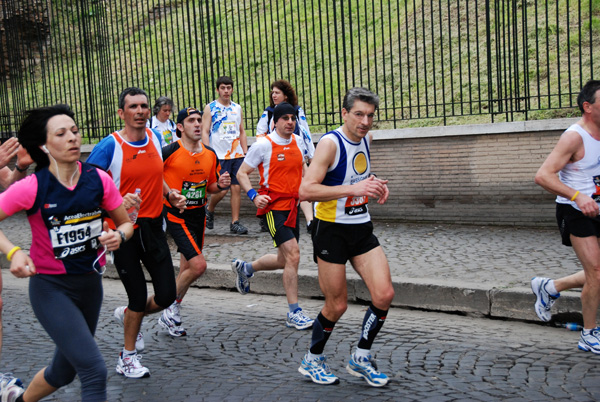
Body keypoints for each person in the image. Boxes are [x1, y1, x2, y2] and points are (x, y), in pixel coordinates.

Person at [0, 104, 133, 401]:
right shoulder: (33, 187)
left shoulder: (98, 180)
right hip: (51, 289)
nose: (73, 138)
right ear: (44, 146)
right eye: (61, 133)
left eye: (74, 131)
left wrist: (117, 236)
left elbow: (126, 224)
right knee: (93, 370)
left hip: (89, 286)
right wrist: (14, 253)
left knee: (63, 373)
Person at [297, 88, 394, 387]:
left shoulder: (367, 138)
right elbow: (306, 190)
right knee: (336, 305)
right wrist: (354, 190)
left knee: (384, 294)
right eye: (359, 114)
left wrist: (373, 184)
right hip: (331, 231)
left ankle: (361, 356)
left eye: (370, 116)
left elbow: (358, 175)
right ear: (344, 113)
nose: (365, 121)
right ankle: (312, 360)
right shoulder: (330, 144)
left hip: (361, 227)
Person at [87, 87, 177, 378]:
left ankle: (128, 317)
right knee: (138, 297)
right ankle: (127, 357)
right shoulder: (109, 147)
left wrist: (170, 194)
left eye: (144, 106)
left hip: (152, 228)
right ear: (121, 113)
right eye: (133, 107)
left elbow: (157, 174)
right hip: (122, 232)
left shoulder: (154, 137)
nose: (140, 111)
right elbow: (86, 189)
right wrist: (116, 200)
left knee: (166, 295)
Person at [532, 79, 600, 354]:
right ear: (588, 107)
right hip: (575, 211)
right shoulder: (574, 136)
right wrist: (578, 196)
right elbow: (543, 176)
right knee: (596, 272)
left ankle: (550, 287)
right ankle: (589, 334)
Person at [233, 102, 314, 330]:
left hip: (292, 207)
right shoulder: (263, 145)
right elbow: (241, 173)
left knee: (283, 259)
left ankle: (246, 269)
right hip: (273, 208)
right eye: (285, 118)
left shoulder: (298, 142)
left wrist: (311, 199)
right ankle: (294, 312)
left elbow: (304, 174)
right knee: (294, 255)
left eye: (293, 118)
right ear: (275, 122)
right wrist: (253, 196)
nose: (290, 122)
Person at [159, 107, 231, 336]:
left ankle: (172, 314)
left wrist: (220, 186)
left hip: (198, 215)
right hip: (175, 214)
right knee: (199, 266)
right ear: (180, 127)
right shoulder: (169, 151)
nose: (198, 124)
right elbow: (153, 175)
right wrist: (170, 193)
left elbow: (210, 185)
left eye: (200, 120)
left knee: (186, 268)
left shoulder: (210, 154)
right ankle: (169, 307)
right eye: (191, 121)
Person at [256, 80, 315, 232]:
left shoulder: (297, 110)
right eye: (272, 92)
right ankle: (268, 216)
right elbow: (260, 132)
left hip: (295, 153)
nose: (273, 95)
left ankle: (310, 221)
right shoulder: (269, 112)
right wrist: (266, 149)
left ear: (286, 96)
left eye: (277, 92)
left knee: (303, 184)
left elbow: (305, 131)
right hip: (275, 156)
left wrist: (311, 154)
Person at [201, 76, 249, 234]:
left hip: (236, 154)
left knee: (236, 187)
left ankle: (235, 222)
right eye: (223, 88)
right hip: (219, 154)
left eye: (229, 88)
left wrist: (244, 150)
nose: (226, 91)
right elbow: (205, 130)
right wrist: (207, 151)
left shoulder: (237, 108)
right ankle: (209, 208)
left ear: (232, 89)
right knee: (222, 189)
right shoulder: (211, 108)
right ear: (217, 90)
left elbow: (241, 131)